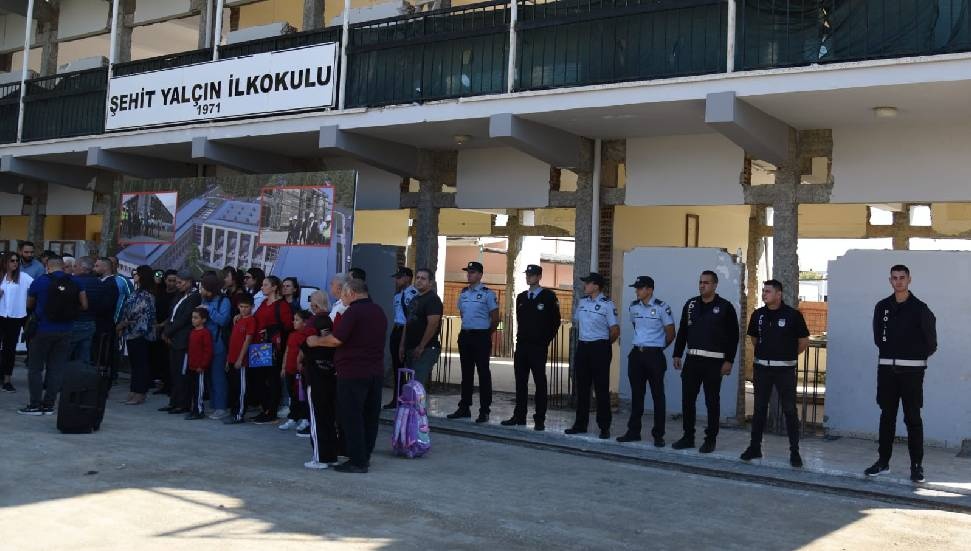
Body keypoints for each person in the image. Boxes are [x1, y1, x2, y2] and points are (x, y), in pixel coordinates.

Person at [865, 265, 936, 483]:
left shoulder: (920, 308)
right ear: (890, 281)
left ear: (909, 280)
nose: (898, 281)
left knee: (912, 418)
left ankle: (917, 466)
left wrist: (912, 358)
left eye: (902, 278)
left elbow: (931, 343)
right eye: (894, 278)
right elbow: (879, 338)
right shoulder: (882, 307)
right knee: (887, 417)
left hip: (912, 374)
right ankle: (883, 462)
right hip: (887, 371)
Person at [311, 279, 388, 473]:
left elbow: (336, 339)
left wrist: (316, 341)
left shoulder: (354, 312)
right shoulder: (378, 311)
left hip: (353, 372)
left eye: (344, 294)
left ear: (352, 293)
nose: (342, 298)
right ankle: (364, 456)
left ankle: (357, 461)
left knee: (352, 417)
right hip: (374, 371)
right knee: (369, 417)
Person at [740, 279, 810, 467]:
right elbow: (754, 339)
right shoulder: (758, 315)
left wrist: (786, 354)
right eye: (763, 291)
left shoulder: (792, 315)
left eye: (768, 291)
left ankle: (794, 451)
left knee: (789, 410)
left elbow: (803, 341)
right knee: (759, 409)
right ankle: (755, 448)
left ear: (778, 294)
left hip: (785, 370)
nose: (764, 294)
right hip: (762, 369)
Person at [671, 270, 739, 453]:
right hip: (692, 360)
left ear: (715, 285)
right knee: (687, 400)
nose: (702, 285)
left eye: (706, 282)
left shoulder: (725, 307)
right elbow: (683, 331)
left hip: (714, 362)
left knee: (712, 402)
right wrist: (677, 354)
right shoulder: (691, 304)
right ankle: (688, 437)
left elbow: (734, 337)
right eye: (700, 282)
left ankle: (710, 440)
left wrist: (729, 361)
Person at [19, 257, 88, 416]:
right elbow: (84, 305)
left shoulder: (40, 282)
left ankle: (35, 404)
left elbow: (29, 305)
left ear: (46, 266)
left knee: (35, 368)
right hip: (66, 329)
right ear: (63, 267)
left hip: (42, 329)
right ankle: (49, 405)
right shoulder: (76, 282)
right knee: (56, 368)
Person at [616, 276, 675, 446]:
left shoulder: (662, 308)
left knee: (658, 396)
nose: (637, 291)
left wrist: (657, 348)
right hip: (637, 355)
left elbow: (670, 332)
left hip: (654, 355)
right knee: (636, 395)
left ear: (649, 290)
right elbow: (637, 327)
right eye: (636, 288)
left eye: (640, 288)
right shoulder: (633, 307)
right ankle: (633, 432)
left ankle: (658, 435)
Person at [503, 264, 561, 431]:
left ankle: (539, 418)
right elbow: (520, 320)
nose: (529, 277)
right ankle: (519, 416)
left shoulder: (548, 297)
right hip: (522, 346)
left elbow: (555, 322)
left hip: (538, 347)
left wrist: (544, 341)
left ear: (539, 276)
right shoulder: (521, 297)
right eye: (527, 274)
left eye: (532, 274)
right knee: (520, 382)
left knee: (540, 382)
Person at [566, 272, 619, 439]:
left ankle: (604, 427)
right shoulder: (582, 302)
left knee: (601, 389)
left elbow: (615, 331)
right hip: (583, 347)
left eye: (588, 283)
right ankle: (580, 424)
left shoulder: (607, 304)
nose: (585, 286)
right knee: (582, 388)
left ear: (596, 285)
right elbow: (577, 323)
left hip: (600, 347)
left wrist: (602, 345)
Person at [447, 261, 499, 423]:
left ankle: (484, 410)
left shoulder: (487, 293)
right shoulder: (463, 294)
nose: (469, 274)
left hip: (481, 337)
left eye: (473, 272)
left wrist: (485, 334)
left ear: (480, 275)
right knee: (466, 373)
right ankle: (464, 407)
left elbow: (496, 318)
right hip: (466, 336)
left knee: (483, 373)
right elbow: (463, 314)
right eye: (468, 271)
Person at [302, 290, 340, 469]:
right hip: (330, 372)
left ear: (314, 305)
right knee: (328, 415)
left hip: (315, 373)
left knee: (316, 417)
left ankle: (320, 458)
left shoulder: (313, 322)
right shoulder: (330, 321)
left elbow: (309, 342)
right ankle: (331, 455)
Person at [251, 275, 293, 424]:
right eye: (262, 285)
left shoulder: (282, 306)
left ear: (274, 287)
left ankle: (271, 411)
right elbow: (255, 319)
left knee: (272, 379)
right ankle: (265, 409)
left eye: (266, 285)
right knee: (259, 379)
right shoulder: (263, 303)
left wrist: (270, 331)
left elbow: (288, 326)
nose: (262, 287)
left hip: (272, 347)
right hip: (258, 346)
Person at [160, 270, 201, 415]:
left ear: (189, 282)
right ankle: (174, 401)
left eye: (180, 282)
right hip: (174, 338)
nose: (177, 285)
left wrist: (168, 332)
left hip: (183, 339)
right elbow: (172, 315)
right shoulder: (180, 296)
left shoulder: (195, 297)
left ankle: (183, 403)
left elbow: (184, 319)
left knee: (182, 373)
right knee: (174, 372)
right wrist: (167, 331)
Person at [116, 265, 157, 406]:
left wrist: (124, 323)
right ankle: (133, 391)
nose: (134, 275)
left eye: (137, 273)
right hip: (131, 332)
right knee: (135, 364)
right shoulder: (137, 291)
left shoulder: (146, 294)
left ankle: (139, 393)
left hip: (141, 333)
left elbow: (137, 312)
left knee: (140, 364)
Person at [398, 268, 443, 392]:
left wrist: (421, 346)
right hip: (411, 348)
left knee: (417, 387)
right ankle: (411, 411)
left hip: (426, 349)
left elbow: (433, 324)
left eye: (423, 278)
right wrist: (402, 345)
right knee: (412, 386)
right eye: (417, 277)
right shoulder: (415, 299)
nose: (419, 281)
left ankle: (419, 411)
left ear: (430, 283)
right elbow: (408, 323)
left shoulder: (432, 300)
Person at [384, 266, 418, 409]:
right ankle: (397, 398)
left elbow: (411, 318)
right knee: (397, 365)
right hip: (397, 330)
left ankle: (410, 397)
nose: (397, 280)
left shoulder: (414, 294)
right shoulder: (397, 296)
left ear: (408, 278)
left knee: (408, 365)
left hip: (408, 332)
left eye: (399, 277)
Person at [70, 257, 114, 365]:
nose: (73, 269)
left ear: (83, 268)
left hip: (75, 321)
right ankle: (82, 379)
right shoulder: (99, 283)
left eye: (75, 266)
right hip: (91, 322)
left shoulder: (74, 282)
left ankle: (62, 379)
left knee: (66, 353)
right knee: (84, 354)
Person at [200, 273, 232, 419]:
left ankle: (221, 407)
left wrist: (208, 310)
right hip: (204, 344)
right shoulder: (204, 299)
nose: (201, 289)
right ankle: (214, 404)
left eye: (203, 287)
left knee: (218, 376)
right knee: (208, 377)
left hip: (218, 344)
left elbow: (223, 320)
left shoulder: (224, 301)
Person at [0, 252, 32, 392]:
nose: (15, 263)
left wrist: (29, 304)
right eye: (12, 260)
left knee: (10, 348)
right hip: (0, 315)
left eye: (17, 261)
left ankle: (7, 379)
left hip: (15, 317)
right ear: (5, 262)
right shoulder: (1, 277)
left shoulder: (23, 277)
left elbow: (36, 287)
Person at [278, 310, 314, 433]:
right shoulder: (292, 335)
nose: (294, 322)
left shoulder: (308, 336)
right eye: (294, 319)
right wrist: (283, 367)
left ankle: (305, 419)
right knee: (292, 395)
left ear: (305, 323)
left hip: (300, 372)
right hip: (289, 370)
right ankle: (293, 418)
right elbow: (287, 351)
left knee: (302, 396)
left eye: (297, 320)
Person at [224, 294, 257, 424]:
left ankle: (239, 414)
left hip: (241, 360)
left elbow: (247, 341)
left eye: (246, 307)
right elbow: (232, 342)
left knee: (242, 388)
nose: (243, 309)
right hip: (232, 358)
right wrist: (228, 359)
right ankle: (234, 412)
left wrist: (240, 359)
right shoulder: (238, 320)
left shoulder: (251, 320)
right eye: (241, 307)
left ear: (252, 307)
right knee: (234, 387)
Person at [151, 269, 179, 395]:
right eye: (169, 280)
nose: (171, 283)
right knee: (159, 358)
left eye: (174, 281)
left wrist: (162, 325)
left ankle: (170, 386)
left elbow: (174, 314)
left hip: (169, 330)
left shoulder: (178, 296)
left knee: (169, 360)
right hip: (156, 329)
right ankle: (162, 383)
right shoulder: (160, 292)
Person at [185, 307, 214, 420]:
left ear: (204, 320)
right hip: (192, 366)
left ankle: (199, 411)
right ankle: (194, 409)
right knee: (192, 389)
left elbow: (208, 351)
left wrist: (202, 365)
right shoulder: (193, 332)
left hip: (200, 367)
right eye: (193, 317)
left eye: (196, 318)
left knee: (199, 390)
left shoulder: (205, 333)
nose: (193, 320)